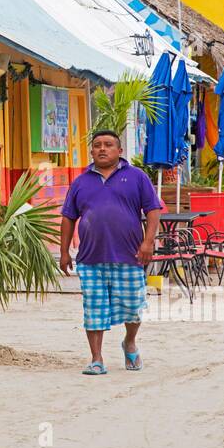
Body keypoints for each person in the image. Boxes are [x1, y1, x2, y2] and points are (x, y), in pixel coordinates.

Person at [59, 130, 163, 375]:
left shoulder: (137, 177)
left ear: (120, 151)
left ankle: (129, 342)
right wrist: (64, 252)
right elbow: (68, 217)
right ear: (92, 151)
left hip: (130, 256)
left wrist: (148, 243)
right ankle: (97, 359)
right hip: (90, 258)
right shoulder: (81, 181)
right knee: (93, 309)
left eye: (108, 145)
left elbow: (153, 211)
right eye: (97, 145)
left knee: (133, 308)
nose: (102, 149)